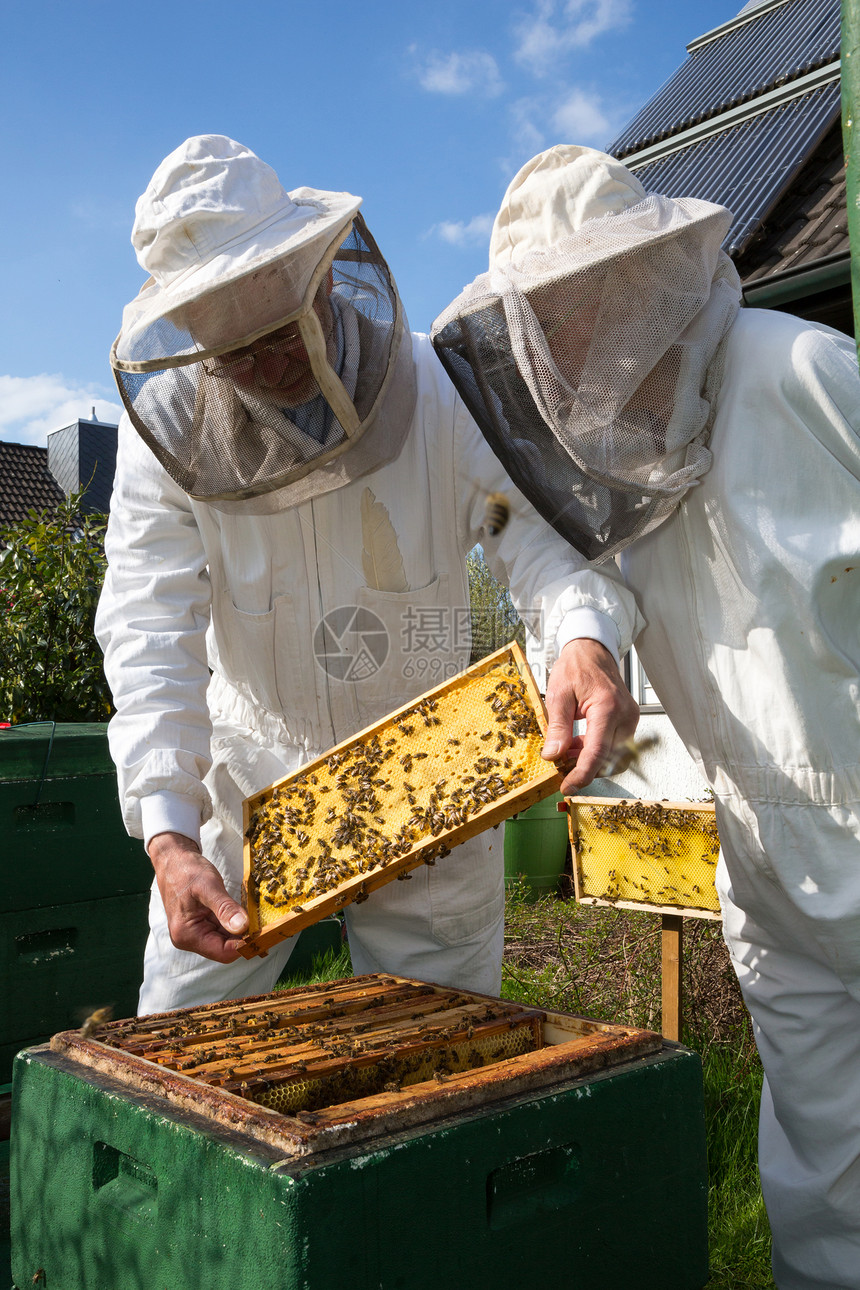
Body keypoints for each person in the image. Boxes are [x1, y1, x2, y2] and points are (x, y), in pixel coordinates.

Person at [431, 144, 860, 1290]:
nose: (578, 341)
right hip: (769, 879)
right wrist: (581, 650)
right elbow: (589, 597)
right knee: (821, 1192)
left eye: (594, 299)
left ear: (656, 277)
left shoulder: (804, 372)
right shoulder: (603, 472)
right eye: (547, 320)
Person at [95, 135, 643, 1018]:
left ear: (316, 275)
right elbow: (148, 622)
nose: (264, 369)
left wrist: (580, 635)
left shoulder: (435, 389)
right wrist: (167, 831)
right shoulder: (166, 446)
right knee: (179, 1044)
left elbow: (522, 530)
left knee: (441, 1052)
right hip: (253, 782)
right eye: (231, 355)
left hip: (433, 775)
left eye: (276, 336)